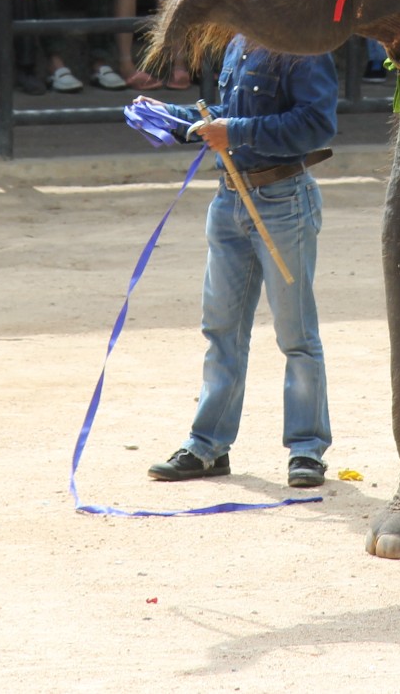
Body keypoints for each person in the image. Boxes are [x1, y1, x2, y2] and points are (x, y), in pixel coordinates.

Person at [140, 35, 340, 490]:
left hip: (283, 198)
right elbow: (225, 115)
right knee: (222, 328)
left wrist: (236, 133)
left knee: (296, 332)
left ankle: (307, 449)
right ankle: (207, 445)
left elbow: (317, 123)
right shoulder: (238, 43)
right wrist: (177, 120)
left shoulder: (303, 46)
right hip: (231, 198)